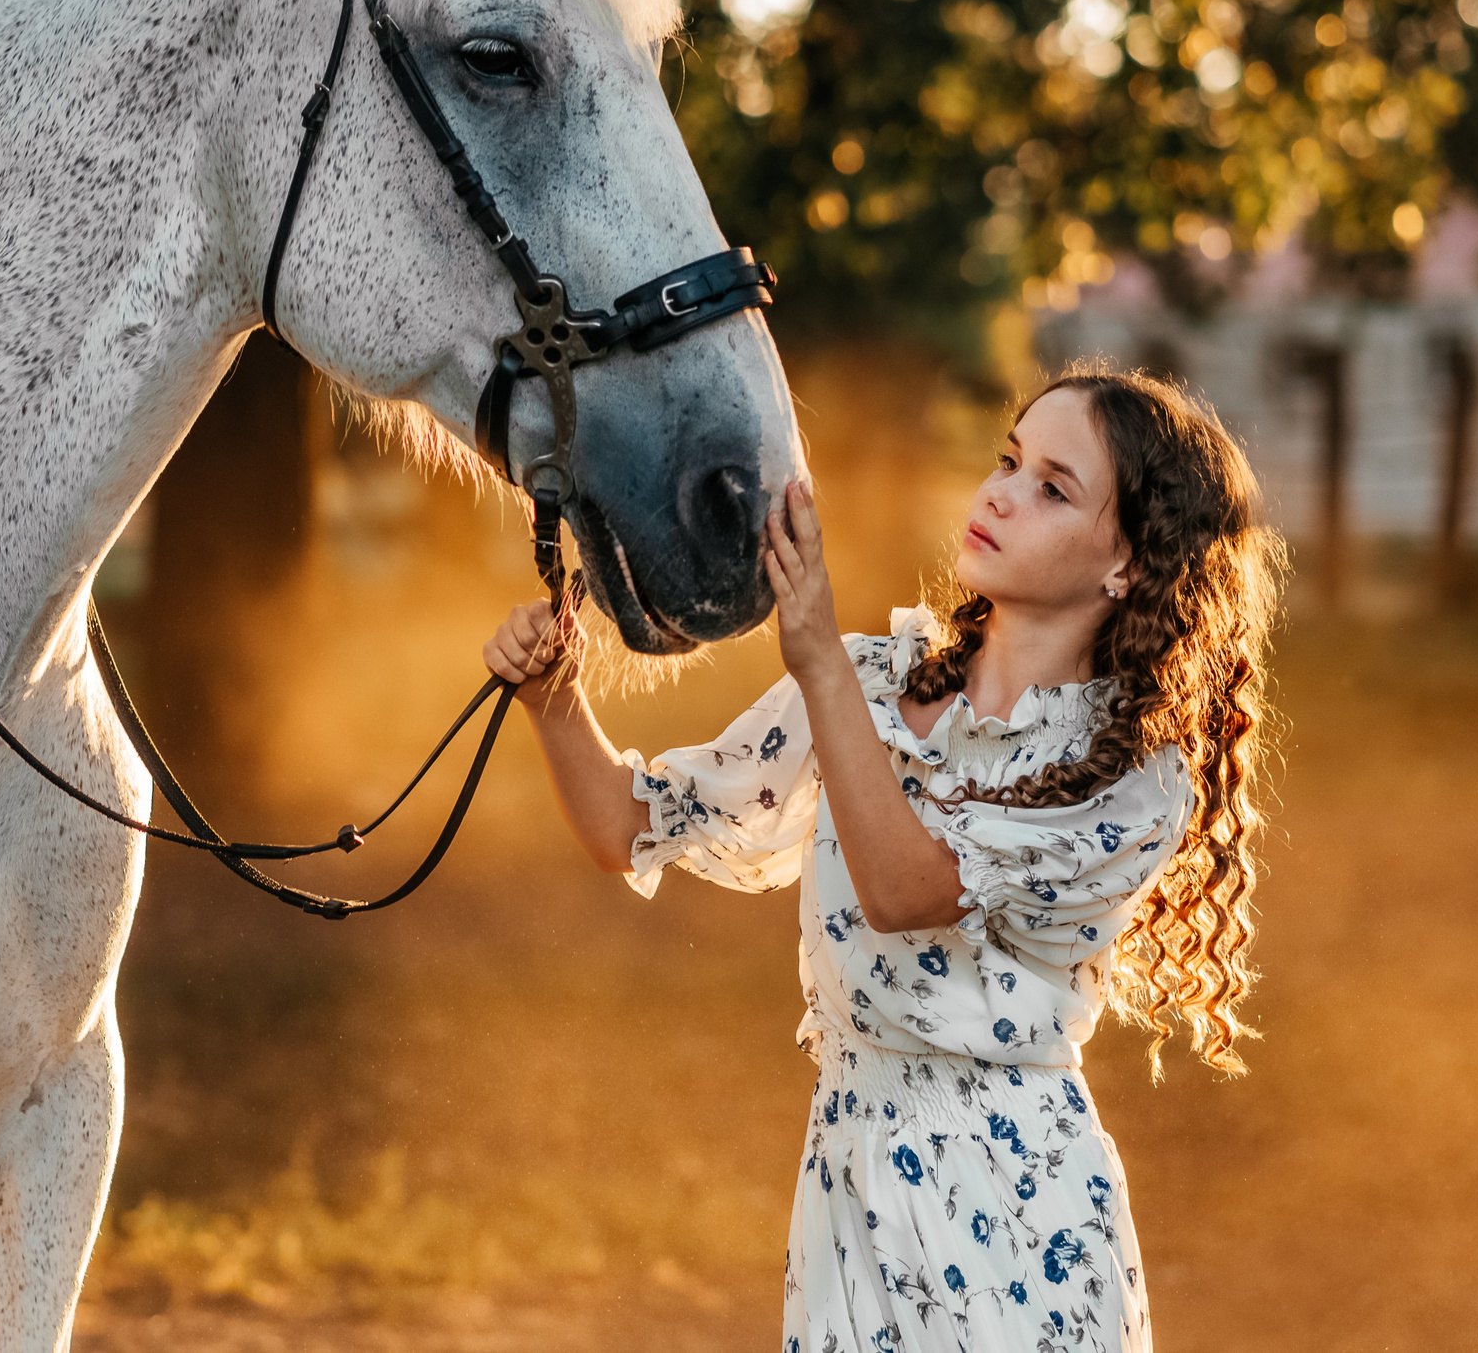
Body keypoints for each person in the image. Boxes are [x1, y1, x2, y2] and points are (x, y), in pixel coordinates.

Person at [484, 366, 1285, 1352]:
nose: (999, 492)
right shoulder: (868, 681)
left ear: (1128, 563)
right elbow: (626, 827)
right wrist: (552, 694)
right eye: (1008, 459)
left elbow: (907, 892)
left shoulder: (1129, 776)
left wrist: (817, 656)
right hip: (849, 1179)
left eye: (1052, 487)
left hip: (1019, 1206)